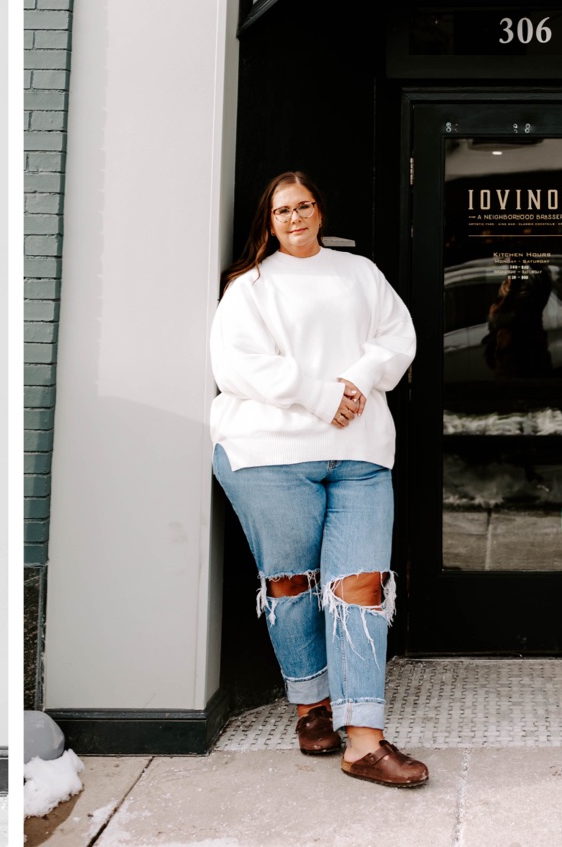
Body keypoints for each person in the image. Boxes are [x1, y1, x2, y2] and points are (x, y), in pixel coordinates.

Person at [209, 170, 427, 788]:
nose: (296, 217)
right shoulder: (249, 287)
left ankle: (365, 741)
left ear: (319, 211)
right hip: (271, 454)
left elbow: (397, 337)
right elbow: (235, 366)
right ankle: (313, 709)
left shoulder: (359, 273)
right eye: (283, 211)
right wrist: (317, 395)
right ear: (269, 221)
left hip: (358, 453)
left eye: (304, 205)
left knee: (360, 585)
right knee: (291, 584)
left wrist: (354, 384)